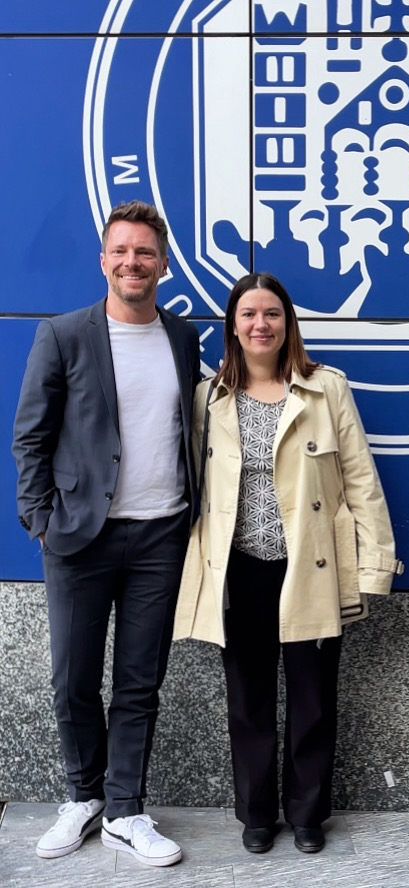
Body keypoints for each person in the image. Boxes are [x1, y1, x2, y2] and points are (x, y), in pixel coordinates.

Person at [174, 272, 403, 855]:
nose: (261, 324)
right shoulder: (208, 398)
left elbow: (361, 480)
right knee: (247, 700)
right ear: (232, 326)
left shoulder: (326, 389)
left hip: (310, 565)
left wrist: (374, 566)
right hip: (238, 568)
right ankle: (256, 815)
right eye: (249, 314)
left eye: (272, 313)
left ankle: (307, 813)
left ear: (288, 323)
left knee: (313, 698)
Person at [12, 201, 200, 867]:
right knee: (73, 679)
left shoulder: (183, 338)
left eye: (144, 252)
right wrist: (40, 518)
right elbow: (30, 435)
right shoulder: (63, 335)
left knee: (138, 683)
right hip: (79, 537)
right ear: (103, 261)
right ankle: (81, 796)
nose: (132, 262)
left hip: (159, 537)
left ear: (163, 264)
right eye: (120, 251)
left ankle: (125, 809)